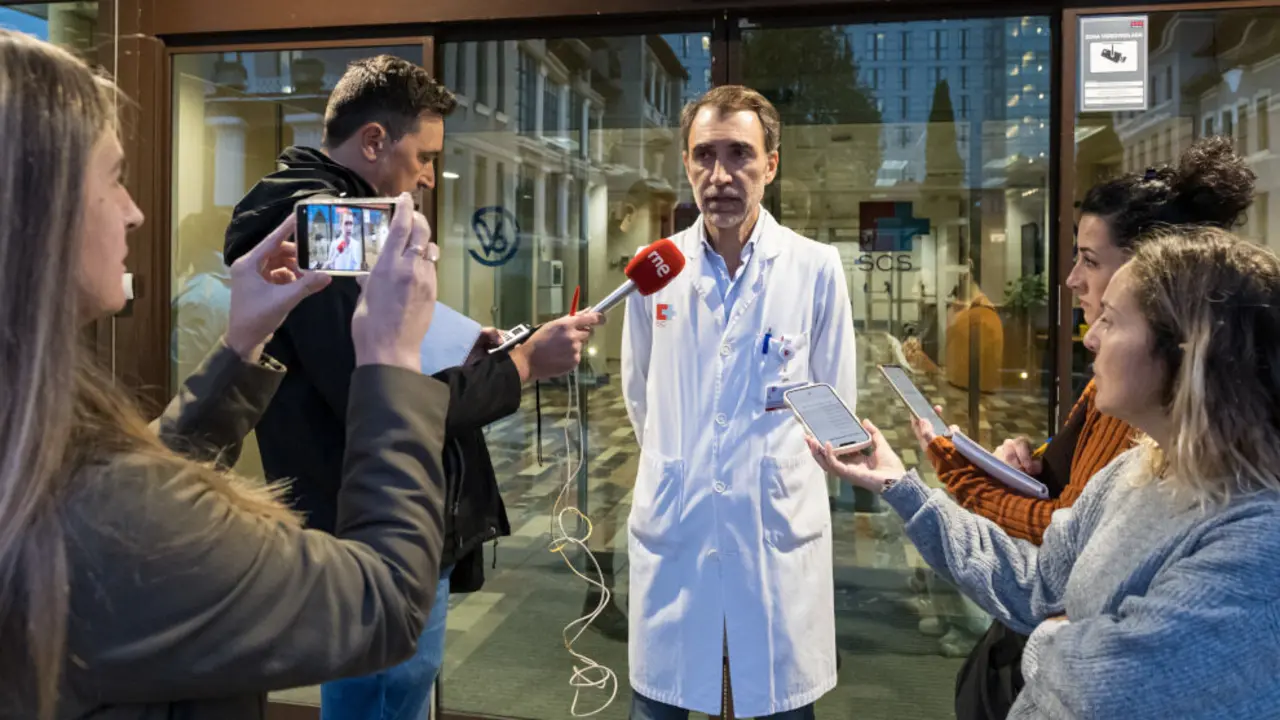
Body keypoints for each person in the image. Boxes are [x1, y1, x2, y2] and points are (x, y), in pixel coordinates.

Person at [0, 30, 451, 719]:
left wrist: (242, 345)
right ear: (36, 210)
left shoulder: (31, 449)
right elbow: (382, 605)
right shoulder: (105, 512)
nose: (136, 211)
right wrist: (391, 361)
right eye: (115, 177)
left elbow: (125, 490)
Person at [223, 55, 602, 720]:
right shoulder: (328, 231)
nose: (429, 177)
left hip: (389, 515)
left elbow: (386, 353)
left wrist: (465, 344)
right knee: (382, 697)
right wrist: (524, 366)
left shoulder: (340, 223)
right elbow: (382, 400)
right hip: (371, 523)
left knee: (396, 692)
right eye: (424, 156)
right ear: (374, 141)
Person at [812, 227, 1280, 719]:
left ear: (1188, 354)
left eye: (1112, 322)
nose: (1090, 338)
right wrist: (902, 486)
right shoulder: (1137, 471)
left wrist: (1053, 636)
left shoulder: (1255, 539)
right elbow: (1037, 584)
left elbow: (1105, 691)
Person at [909, 137, 1256, 718]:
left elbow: (1106, 674)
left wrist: (1058, 637)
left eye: (1091, 262)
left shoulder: (1244, 532)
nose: (1074, 285)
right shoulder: (1134, 461)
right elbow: (1047, 571)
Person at [621, 85, 857, 719]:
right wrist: (685, 467)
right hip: (679, 529)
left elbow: (837, 412)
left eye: (740, 154)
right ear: (685, 161)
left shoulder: (814, 268)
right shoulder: (655, 270)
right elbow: (639, 396)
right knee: (660, 704)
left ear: (771, 164)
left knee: (776, 704)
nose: (720, 175)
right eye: (704, 155)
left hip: (773, 537)